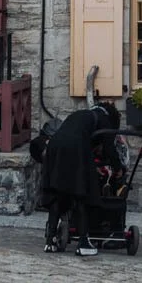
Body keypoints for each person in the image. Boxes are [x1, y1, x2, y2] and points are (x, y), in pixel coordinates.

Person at [42, 99, 121, 257]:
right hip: (75, 146)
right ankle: (84, 241)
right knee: (81, 191)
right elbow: (110, 148)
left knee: (57, 191)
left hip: (55, 145)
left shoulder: (81, 114)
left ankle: (50, 241)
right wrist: (118, 168)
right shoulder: (104, 120)